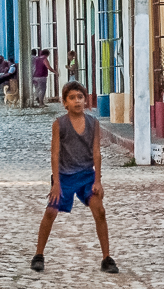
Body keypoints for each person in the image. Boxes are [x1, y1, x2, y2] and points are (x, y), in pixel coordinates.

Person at [32, 81, 117, 275]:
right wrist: (56, 184)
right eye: (72, 98)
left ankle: (106, 258)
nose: (77, 101)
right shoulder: (59, 124)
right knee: (51, 212)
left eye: (80, 97)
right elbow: (55, 154)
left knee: (100, 211)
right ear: (65, 103)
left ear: (85, 100)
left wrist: (98, 180)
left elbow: (96, 152)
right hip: (64, 176)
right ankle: (39, 255)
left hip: (87, 175)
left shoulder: (93, 123)